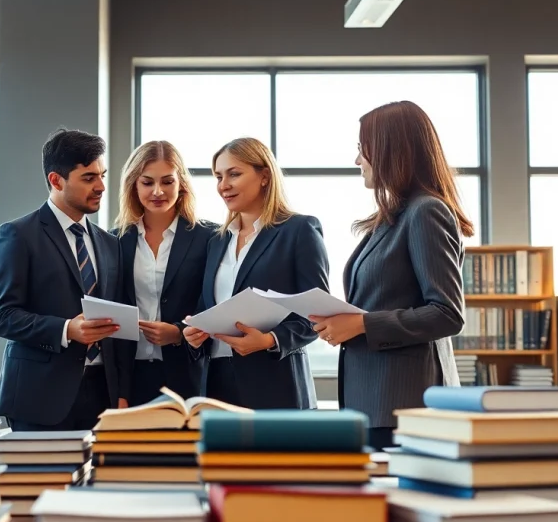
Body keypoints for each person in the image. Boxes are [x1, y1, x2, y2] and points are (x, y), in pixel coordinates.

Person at [311, 100, 467, 450]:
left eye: (362, 149)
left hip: (404, 405)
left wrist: (362, 324)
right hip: (374, 402)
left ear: (389, 150)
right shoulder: (396, 215)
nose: (357, 160)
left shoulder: (426, 211)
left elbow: (447, 314)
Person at [0, 128, 127, 431]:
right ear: (56, 180)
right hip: (39, 396)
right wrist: (66, 329)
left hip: (103, 397)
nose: (101, 186)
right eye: (89, 178)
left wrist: (122, 392)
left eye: (102, 175)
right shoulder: (18, 235)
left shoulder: (110, 243)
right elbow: (2, 317)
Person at [182, 137, 330, 410]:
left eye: (234, 174)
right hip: (216, 386)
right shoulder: (217, 241)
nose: (223, 185)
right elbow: (206, 309)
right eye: (218, 177)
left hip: (276, 385)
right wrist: (194, 335)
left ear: (264, 176)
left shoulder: (299, 230)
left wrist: (269, 340)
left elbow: (318, 315)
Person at [113, 141, 215, 406]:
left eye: (167, 181)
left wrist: (179, 332)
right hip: (130, 377)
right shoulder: (114, 241)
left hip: (188, 375)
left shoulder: (209, 238)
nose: (158, 191)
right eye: (147, 182)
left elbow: (215, 304)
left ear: (181, 184)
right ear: (134, 185)